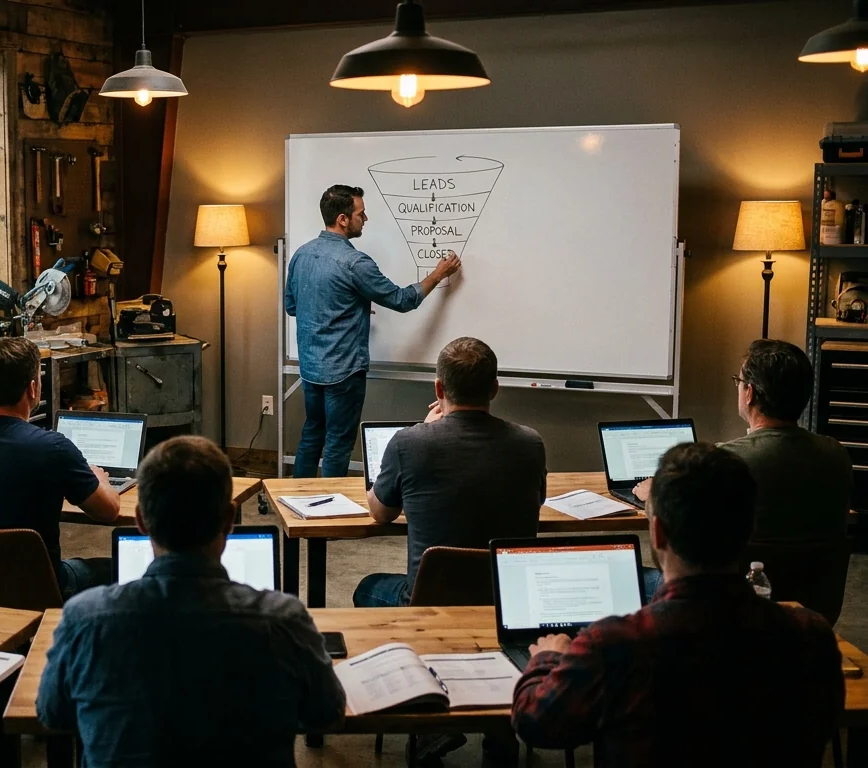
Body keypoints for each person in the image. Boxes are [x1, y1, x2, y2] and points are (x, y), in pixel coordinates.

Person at [513, 443, 844, 766]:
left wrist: (546, 659)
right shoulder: (811, 635)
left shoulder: (615, 644)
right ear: (749, 531)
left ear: (657, 533)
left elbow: (535, 723)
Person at [37, 436, 345, 763]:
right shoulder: (285, 621)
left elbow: (52, 713)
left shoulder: (85, 620)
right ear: (229, 519)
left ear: (141, 520)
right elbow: (326, 713)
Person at [285, 184, 461, 478]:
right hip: (344, 371)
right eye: (360, 214)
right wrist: (439, 273)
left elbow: (294, 306)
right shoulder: (355, 263)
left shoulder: (301, 255)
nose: (364, 219)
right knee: (338, 445)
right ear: (343, 219)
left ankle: (297, 505)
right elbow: (403, 300)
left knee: (312, 435)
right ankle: (329, 515)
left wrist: (346, 304)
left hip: (311, 368)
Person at [356, 337, 546, 607]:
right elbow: (536, 502)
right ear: (494, 389)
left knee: (368, 587)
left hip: (430, 600)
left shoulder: (408, 442)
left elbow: (381, 512)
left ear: (438, 389)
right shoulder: (530, 442)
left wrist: (422, 429)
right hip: (508, 598)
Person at [0, 337, 120, 598]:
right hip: (37, 587)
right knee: (119, 568)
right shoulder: (52, 448)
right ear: (33, 388)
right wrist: (98, 479)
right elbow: (109, 511)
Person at [635, 339, 850, 542]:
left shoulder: (723, 462)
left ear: (750, 393)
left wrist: (655, 492)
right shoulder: (836, 454)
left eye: (739, 381)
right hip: (814, 581)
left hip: (739, 581)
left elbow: (673, 516)